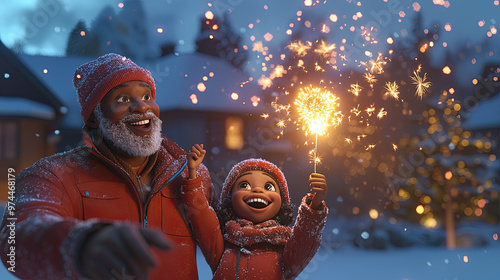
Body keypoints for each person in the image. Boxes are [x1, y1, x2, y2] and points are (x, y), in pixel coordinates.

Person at [0, 53, 214, 280]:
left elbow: (229, 235)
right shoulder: (52, 175)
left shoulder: (192, 176)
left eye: (146, 95)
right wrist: (81, 243)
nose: (142, 107)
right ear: (94, 117)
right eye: (122, 99)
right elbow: (16, 239)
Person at [182, 144, 328, 279]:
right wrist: (192, 174)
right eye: (244, 185)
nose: (257, 190)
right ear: (230, 198)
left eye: (269, 187)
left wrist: (314, 205)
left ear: (282, 202)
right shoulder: (223, 245)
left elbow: (305, 238)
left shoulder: (285, 253)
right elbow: (202, 218)